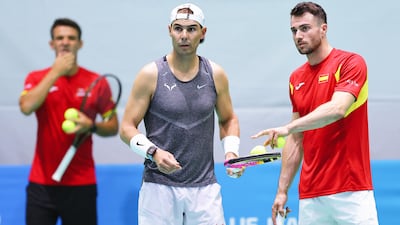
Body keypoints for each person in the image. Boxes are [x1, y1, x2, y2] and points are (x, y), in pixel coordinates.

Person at [252, 2, 379, 225]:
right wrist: (282, 191)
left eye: (305, 28)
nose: (298, 36)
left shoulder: (350, 63)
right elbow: (296, 139)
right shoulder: (296, 78)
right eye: (294, 30)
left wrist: (289, 127)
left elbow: (337, 109)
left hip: (351, 191)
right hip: (311, 195)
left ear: (323, 28)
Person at [119, 3, 243, 225]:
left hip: (205, 190)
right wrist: (153, 152)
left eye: (191, 29)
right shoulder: (150, 74)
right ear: (169, 30)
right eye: (178, 28)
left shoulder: (215, 74)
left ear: (203, 32)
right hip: (158, 189)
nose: (184, 35)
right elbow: (126, 127)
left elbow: (228, 119)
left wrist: (231, 153)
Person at [19, 18, 119, 225]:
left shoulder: (96, 82)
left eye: (71, 38)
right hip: (42, 183)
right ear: (52, 44)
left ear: (80, 44)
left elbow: (113, 126)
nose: (65, 42)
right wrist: (56, 72)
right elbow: (26, 107)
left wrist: (91, 126)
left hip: (81, 184)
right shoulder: (36, 78)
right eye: (60, 38)